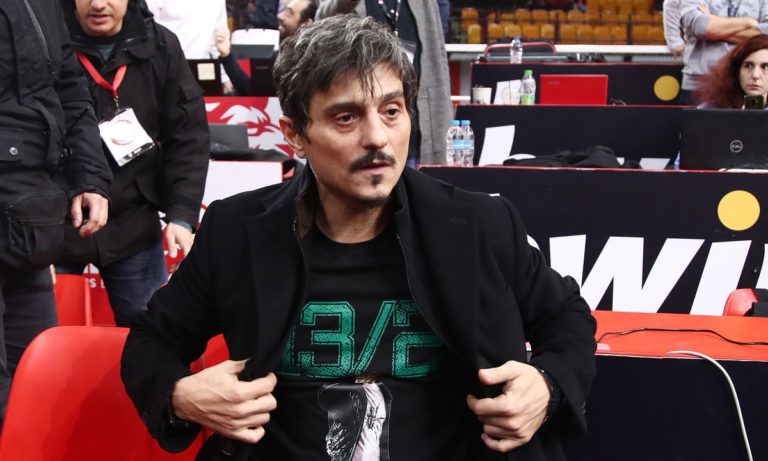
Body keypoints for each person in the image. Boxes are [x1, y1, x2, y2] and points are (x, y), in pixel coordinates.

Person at [121, 15, 596, 460]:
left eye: (391, 111)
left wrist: (547, 386)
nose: (378, 138)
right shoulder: (237, 229)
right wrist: (179, 395)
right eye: (346, 118)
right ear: (295, 135)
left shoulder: (480, 225)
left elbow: (567, 320)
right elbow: (151, 340)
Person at [56, 0, 210, 327]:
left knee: (150, 333)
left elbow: (188, 136)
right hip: (57, 221)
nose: (99, 4)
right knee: (44, 339)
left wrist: (182, 215)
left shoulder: (161, 44)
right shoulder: (48, 40)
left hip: (133, 221)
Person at [0, 0, 111, 425]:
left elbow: (69, 91)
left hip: (33, 221)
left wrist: (89, 177)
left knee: (38, 391)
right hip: (25, 205)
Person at [316, 0, 452, 166]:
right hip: (368, 133)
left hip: (421, 126)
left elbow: (438, 57)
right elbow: (323, 20)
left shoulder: (425, 4)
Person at [214, 0, 317, 95]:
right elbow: (252, 89)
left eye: (290, 13)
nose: (280, 16)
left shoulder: (315, 61)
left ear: (306, 24)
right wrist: (226, 55)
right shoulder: (279, 55)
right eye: (285, 11)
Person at [678, 0, 768, 104]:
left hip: (748, 86)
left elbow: (765, 35)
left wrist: (715, 26)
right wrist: (748, 22)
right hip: (698, 86)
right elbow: (700, 26)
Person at [145, 0, 233, 94]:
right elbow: (148, 31)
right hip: (166, 72)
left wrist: (224, 77)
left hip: (203, 72)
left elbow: (219, 40)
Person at [696, 33, 768, 107]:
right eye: (748, 66)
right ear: (737, 71)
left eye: (765, 67)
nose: (755, 75)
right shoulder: (710, 109)